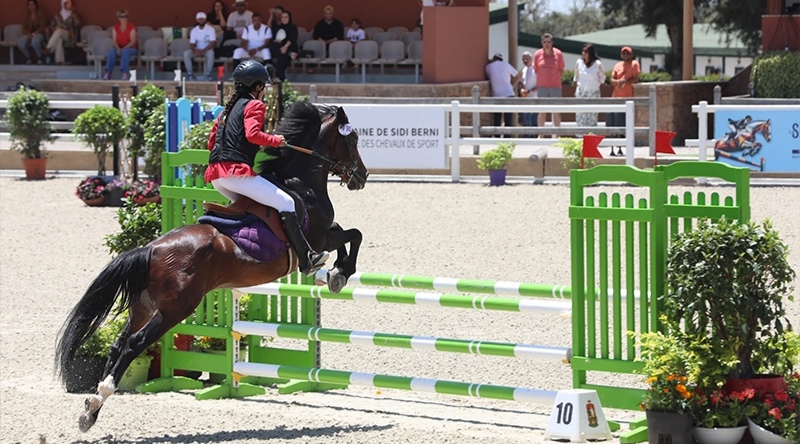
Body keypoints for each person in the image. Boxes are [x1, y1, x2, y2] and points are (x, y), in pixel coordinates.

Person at [204, 60, 330, 276]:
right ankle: (307, 259)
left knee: (255, 209)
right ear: (258, 86)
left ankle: (245, 262)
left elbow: (211, 142)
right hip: (236, 174)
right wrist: (275, 140)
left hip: (217, 176)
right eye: (264, 86)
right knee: (286, 202)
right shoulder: (254, 105)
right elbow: (253, 135)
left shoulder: (225, 111)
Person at [609, 45, 640, 156]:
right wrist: (617, 82)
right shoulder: (617, 65)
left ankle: (624, 146)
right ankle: (614, 146)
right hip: (616, 97)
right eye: (624, 53)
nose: (625, 55)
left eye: (628, 53)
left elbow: (635, 78)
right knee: (614, 123)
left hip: (628, 98)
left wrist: (625, 82)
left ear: (631, 55)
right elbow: (611, 79)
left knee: (625, 123)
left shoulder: (634, 64)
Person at [533, 33, 565, 136]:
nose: (546, 44)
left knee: (556, 111)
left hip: (555, 87)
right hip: (542, 87)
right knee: (541, 111)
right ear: (542, 43)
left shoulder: (558, 54)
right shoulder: (537, 54)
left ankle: (557, 135)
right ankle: (541, 135)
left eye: (548, 42)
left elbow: (561, 69)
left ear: (552, 43)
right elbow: (536, 69)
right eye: (544, 42)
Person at [485, 52, 521, 133]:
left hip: (497, 95)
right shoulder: (506, 65)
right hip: (509, 93)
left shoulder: (488, 67)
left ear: (494, 58)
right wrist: (513, 85)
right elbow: (518, 75)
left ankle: (497, 135)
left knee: (497, 117)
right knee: (508, 117)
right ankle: (507, 136)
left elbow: (488, 76)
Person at [572, 43, 605, 129]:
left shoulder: (598, 64)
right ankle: (580, 136)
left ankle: (591, 135)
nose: (583, 53)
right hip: (581, 91)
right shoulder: (579, 62)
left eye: (586, 51)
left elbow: (602, 79)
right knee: (580, 115)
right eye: (583, 51)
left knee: (592, 116)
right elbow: (576, 77)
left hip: (593, 92)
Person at [103, 9, 138, 80]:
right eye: (122, 17)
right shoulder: (115, 27)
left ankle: (125, 73)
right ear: (118, 18)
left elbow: (133, 42)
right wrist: (118, 49)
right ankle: (108, 73)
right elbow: (114, 41)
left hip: (130, 48)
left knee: (125, 52)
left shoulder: (132, 27)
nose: (124, 18)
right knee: (111, 52)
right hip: (119, 47)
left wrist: (122, 49)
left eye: (126, 16)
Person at [44, 0, 81, 65]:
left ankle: (49, 48)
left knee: (59, 31)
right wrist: (54, 31)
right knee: (59, 38)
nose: (68, 5)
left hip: (69, 35)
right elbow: (52, 26)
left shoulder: (73, 14)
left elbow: (77, 24)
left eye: (69, 3)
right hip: (57, 35)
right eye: (66, 3)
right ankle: (59, 61)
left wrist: (72, 13)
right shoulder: (57, 15)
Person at [183, 12, 217, 81]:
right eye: (199, 19)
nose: (201, 20)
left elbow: (213, 43)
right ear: (197, 20)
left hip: (207, 50)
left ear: (205, 20)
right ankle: (190, 74)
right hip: (197, 50)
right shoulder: (194, 30)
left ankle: (208, 75)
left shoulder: (211, 29)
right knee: (186, 53)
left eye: (202, 19)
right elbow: (192, 44)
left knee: (211, 53)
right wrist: (195, 50)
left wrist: (203, 51)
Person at [270, 9, 298, 81]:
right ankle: (289, 53)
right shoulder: (278, 27)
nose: (284, 19)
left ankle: (279, 77)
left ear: (289, 18)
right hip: (280, 48)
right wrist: (277, 41)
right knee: (274, 46)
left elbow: (292, 39)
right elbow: (273, 39)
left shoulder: (293, 27)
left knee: (282, 57)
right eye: (283, 17)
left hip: (290, 47)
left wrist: (285, 47)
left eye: (286, 17)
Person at [17, 0, 48, 65]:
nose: (31, 6)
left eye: (33, 4)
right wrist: (28, 34)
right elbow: (24, 27)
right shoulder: (27, 15)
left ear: (36, 5)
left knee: (35, 41)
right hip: (29, 34)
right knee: (20, 42)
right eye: (29, 5)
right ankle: (29, 57)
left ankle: (39, 57)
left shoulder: (41, 14)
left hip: (39, 34)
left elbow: (43, 26)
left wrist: (35, 33)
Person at [518, 51, 538, 134]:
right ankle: (528, 136)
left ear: (531, 59)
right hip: (526, 98)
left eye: (527, 58)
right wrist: (522, 89)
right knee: (526, 117)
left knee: (533, 118)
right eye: (523, 59)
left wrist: (530, 91)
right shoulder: (524, 70)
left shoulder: (535, 69)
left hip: (535, 97)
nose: (525, 60)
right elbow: (522, 82)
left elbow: (540, 83)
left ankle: (533, 136)